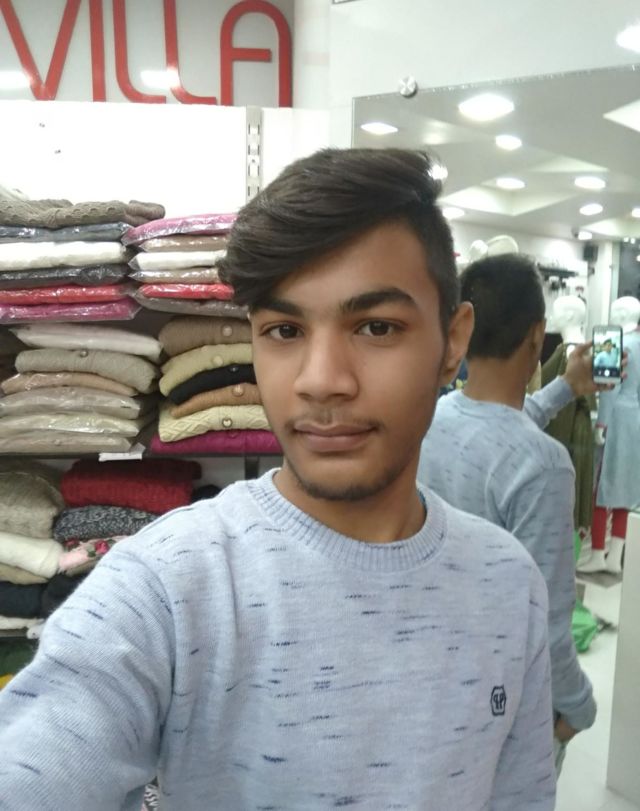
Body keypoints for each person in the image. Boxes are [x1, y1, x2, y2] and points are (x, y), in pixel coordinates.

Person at [0, 150, 557, 809]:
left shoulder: (508, 583)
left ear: (453, 342)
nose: (321, 380)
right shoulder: (167, 586)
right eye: (284, 330)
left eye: (376, 327)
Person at [418, 253, 597, 773]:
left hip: (437, 671)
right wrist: (580, 708)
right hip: (506, 692)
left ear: (462, 327)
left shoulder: (433, 418)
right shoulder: (544, 465)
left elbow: (500, 428)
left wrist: (566, 387)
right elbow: (550, 621)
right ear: (537, 336)